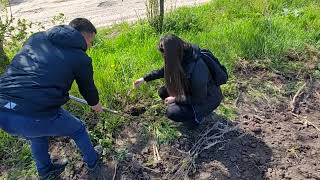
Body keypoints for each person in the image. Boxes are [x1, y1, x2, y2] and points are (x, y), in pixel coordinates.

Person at [0, 18, 105, 179]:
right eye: (92, 41)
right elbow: (87, 88)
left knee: (36, 134)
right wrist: (95, 104)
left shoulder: (37, 38)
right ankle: (93, 161)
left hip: (4, 109)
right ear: (86, 36)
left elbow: (32, 69)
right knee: (78, 129)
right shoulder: (80, 58)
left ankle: (46, 171)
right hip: (33, 112)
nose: (90, 46)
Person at [134, 34, 223, 127]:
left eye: (164, 53)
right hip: (192, 90)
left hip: (207, 99)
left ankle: (197, 118)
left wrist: (176, 99)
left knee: (172, 112)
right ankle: (186, 109)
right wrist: (144, 79)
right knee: (163, 92)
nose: (163, 55)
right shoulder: (182, 54)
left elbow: (199, 98)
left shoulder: (197, 68)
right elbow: (164, 70)